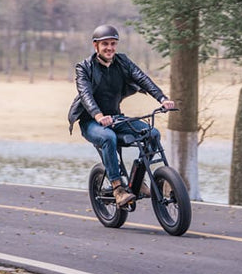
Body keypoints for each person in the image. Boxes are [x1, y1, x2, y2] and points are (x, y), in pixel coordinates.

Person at [68, 24, 175, 206]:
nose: (110, 48)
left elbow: (142, 78)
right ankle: (118, 189)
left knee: (153, 134)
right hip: (91, 122)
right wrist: (98, 115)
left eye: (113, 44)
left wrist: (162, 98)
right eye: (105, 44)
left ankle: (137, 179)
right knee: (109, 137)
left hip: (115, 118)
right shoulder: (84, 68)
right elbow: (86, 94)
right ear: (96, 46)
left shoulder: (122, 61)